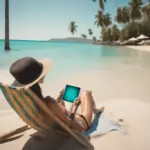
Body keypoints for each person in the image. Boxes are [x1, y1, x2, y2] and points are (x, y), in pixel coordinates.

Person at [9, 57, 103, 132]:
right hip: (81, 124)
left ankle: (93, 109)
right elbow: (69, 124)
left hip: (59, 119)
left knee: (68, 91)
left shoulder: (31, 101)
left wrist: (58, 100)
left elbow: (53, 115)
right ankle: (96, 111)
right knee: (87, 93)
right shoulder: (49, 102)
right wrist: (74, 107)